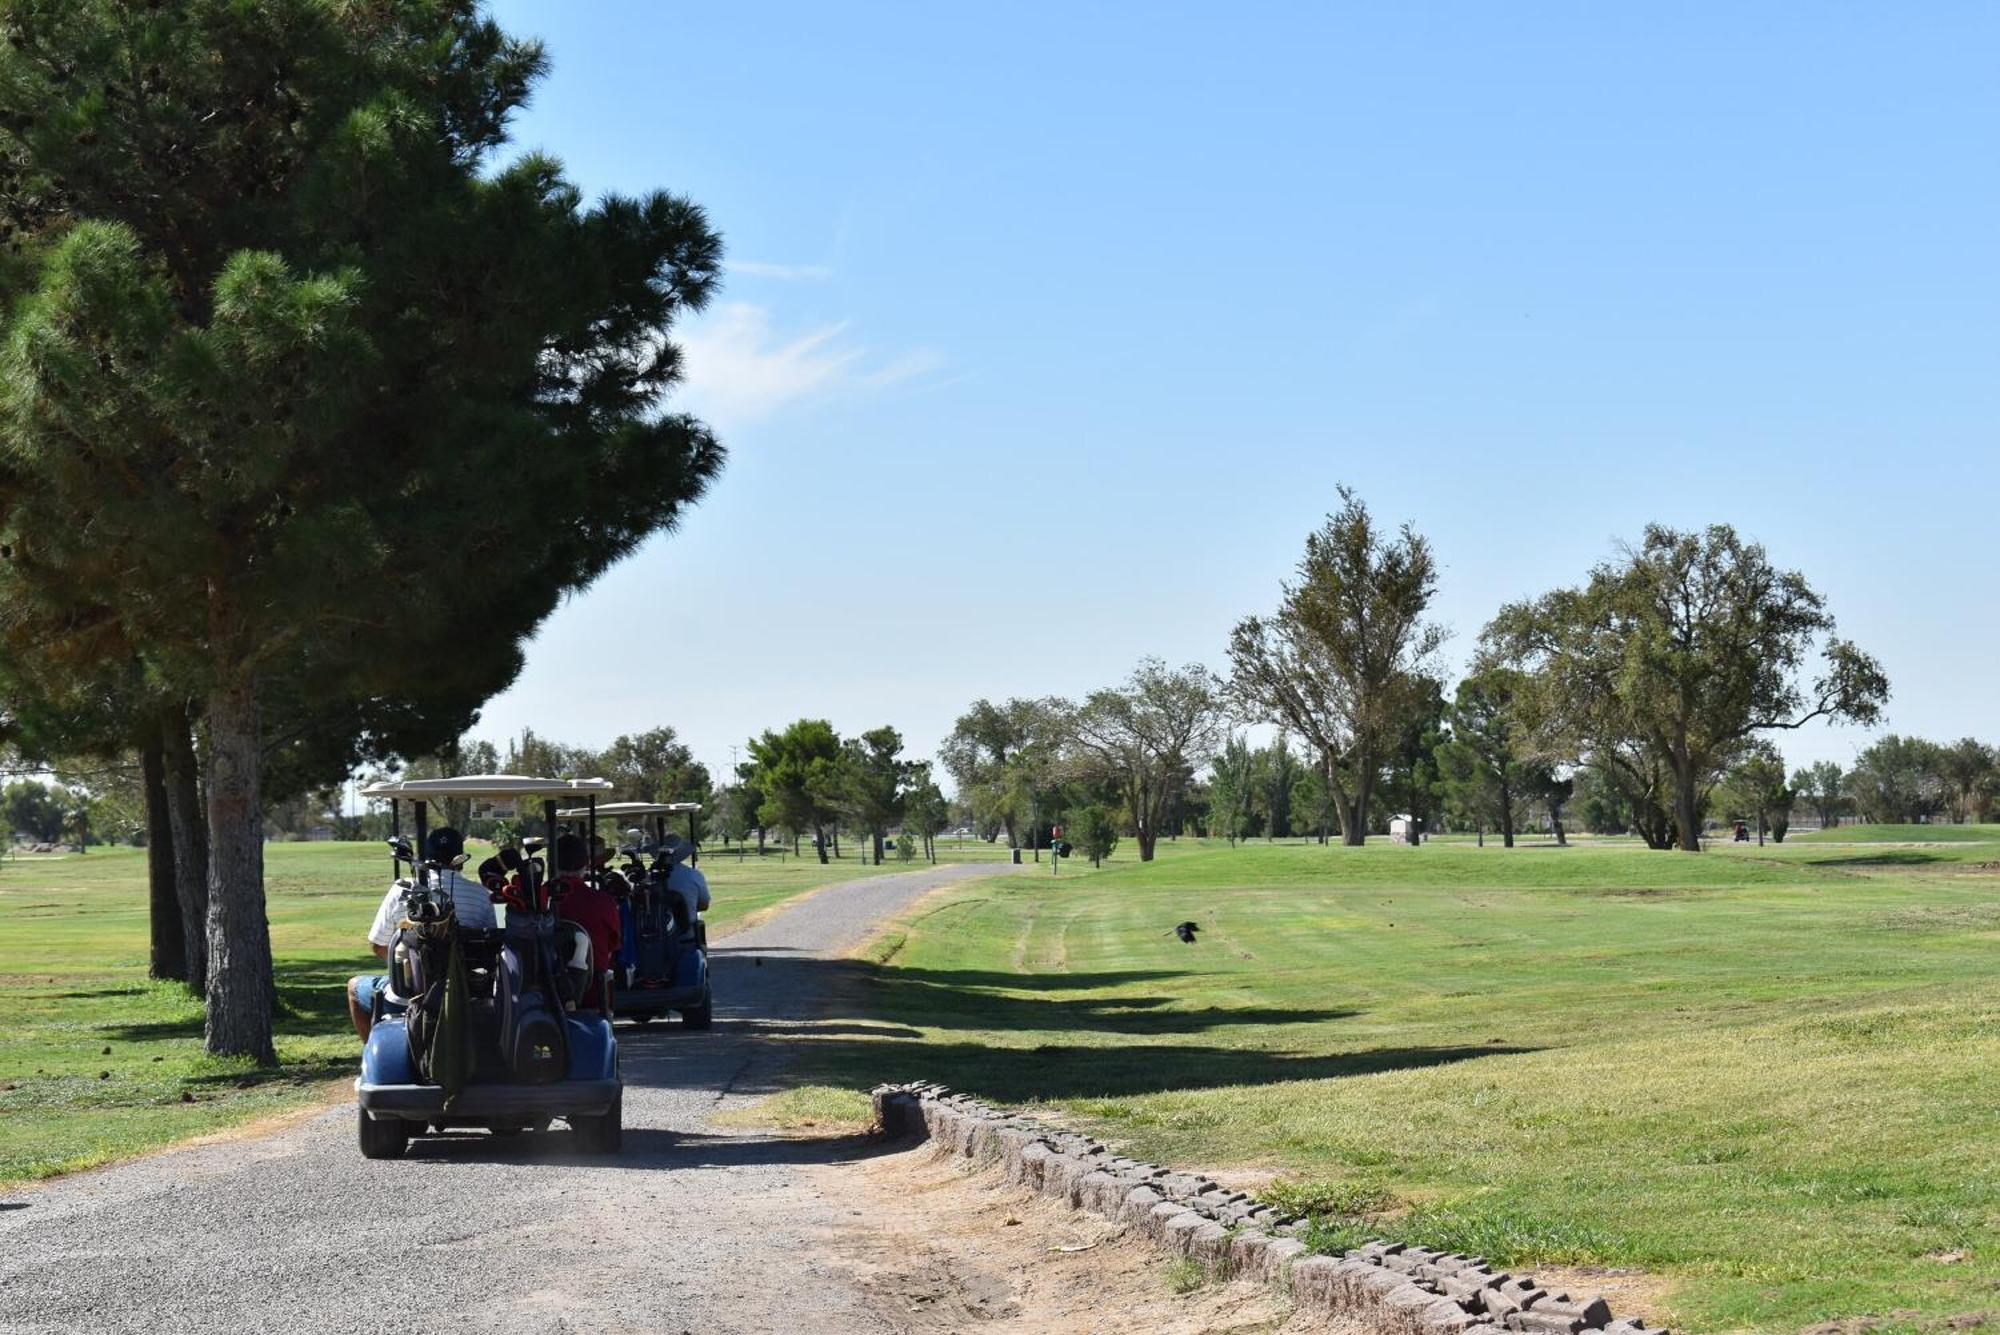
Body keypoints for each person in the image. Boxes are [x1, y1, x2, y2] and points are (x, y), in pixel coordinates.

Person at [346, 827, 495, 1040]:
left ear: (424, 858)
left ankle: (370, 1048)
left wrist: (409, 969)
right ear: (460, 861)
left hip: (408, 993)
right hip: (465, 990)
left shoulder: (401, 890)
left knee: (354, 987)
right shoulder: (480, 895)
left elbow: (377, 946)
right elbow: (488, 948)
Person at [552, 832, 621, 1010]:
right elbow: (613, 946)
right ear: (586, 864)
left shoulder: (540, 900)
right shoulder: (603, 902)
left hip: (547, 993)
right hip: (592, 993)